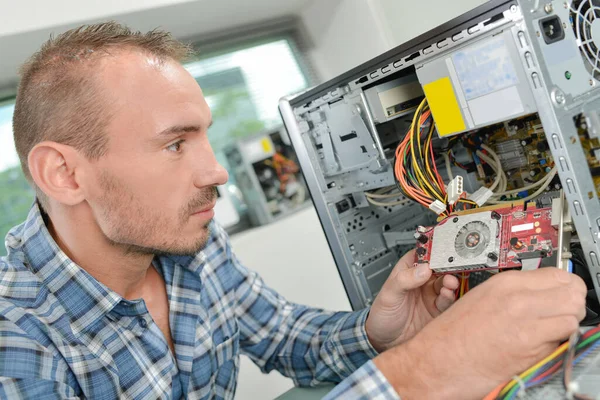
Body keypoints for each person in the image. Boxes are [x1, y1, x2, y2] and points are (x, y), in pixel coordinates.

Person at [0, 22, 586, 400]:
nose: (217, 172)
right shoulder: (18, 341)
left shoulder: (190, 248)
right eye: (175, 144)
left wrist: (383, 334)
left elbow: (286, 338)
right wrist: (422, 373)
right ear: (65, 174)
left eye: (205, 136)